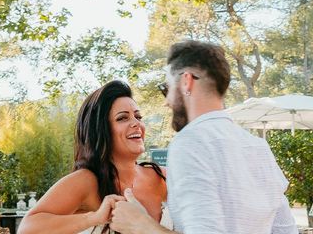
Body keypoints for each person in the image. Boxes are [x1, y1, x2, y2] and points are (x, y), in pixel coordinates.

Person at [110, 40, 297, 234]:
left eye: (167, 89)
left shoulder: (190, 142)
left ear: (186, 81)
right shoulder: (259, 147)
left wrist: (141, 225)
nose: (167, 101)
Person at [18, 80, 168, 234]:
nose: (136, 123)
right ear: (101, 130)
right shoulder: (86, 181)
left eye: (138, 116)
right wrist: (94, 217)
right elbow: (27, 229)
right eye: (122, 118)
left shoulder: (162, 177)